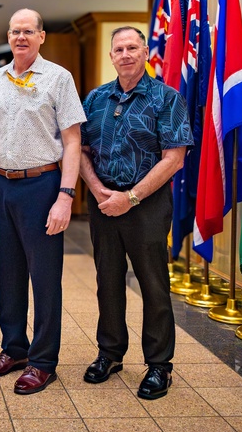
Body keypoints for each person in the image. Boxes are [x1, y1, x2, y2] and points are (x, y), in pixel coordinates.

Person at [0, 8, 85, 395]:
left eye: (28, 31)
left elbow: (72, 141)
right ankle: (14, 349)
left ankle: (42, 361)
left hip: (43, 185)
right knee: (9, 273)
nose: (21, 37)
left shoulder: (58, 78)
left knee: (45, 277)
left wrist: (65, 197)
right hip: (2, 186)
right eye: (15, 31)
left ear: (40, 37)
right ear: (8, 35)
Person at [78, 26, 191, 400]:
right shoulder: (95, 99)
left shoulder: (166, 98)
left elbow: (174, 158)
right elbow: (80, 150)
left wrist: (131, 197)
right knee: (107, 281)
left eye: (132, 48)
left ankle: (159, 364)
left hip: (147, 205)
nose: (125, 54)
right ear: (111, 56)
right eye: (118, 49)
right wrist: (97, 191)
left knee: (153, 285)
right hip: (103, 202)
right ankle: (110, 354)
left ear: (145, 52)